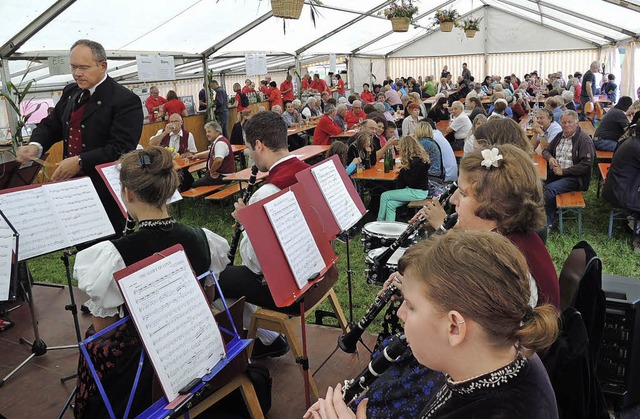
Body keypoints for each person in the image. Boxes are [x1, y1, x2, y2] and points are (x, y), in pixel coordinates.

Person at [305, 229, 559, 419]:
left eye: (411, 306)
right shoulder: (501, 356)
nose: (400, 314)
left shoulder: (504, 409)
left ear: (454, 328)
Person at [73, 146, 229, 418]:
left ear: (128, 193)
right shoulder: (204, 238)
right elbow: (208, 296)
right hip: (198, 347)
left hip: (147, 371)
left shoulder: (113, 255)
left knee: (92, 341)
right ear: (169, 189)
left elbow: (105, 332)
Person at [17, 39, 142, 234]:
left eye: (84, 67)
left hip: (106, 190)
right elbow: (53, 124)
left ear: (103, 66)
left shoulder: (125, 100)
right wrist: (36, 144)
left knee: (109, 244)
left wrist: (81, 161)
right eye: (73, 67)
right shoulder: (71, 91)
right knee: (80, 240)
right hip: (74, 189)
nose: (77, 73)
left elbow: (122, 148)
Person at [218, 111, 316, 358]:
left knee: (215, 280)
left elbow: (257, 265)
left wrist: (246, 222)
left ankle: (268, 338)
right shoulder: (308, 171)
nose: (250, 155)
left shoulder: (267, 192)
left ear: (259, 145)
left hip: (291, 287)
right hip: (318, 271)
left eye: (250, 148)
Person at [542, 110, 594, 228]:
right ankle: (547, 215)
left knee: (549, 190)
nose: (566, 125)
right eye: (564, 122)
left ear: (577, 123)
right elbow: (546, 151)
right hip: (557, 172)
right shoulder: (560, 135)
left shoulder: (584, 140)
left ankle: (546, 223)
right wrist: (550, 158)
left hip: (575, 177)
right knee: (537, 184)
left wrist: (564, 171)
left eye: (570, 122)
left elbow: (586, 165)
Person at [602, 126, 640, 252]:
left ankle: (631, 222)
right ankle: (638, 238)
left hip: (615, 188)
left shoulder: (633, 141)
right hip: (620, 193)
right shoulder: (637, 147)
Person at [377, 136, 430, 221]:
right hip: (417, 191)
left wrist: (402, 170)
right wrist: (404, 168)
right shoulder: (418, 159)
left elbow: (410, 182)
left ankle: (379, 222)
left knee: (384, 196)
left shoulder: (416, 162)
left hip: (417, 192)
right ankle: (389, 227)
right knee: (391, 204)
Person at [149, 114, 197, 191]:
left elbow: (192, 152)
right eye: (171, 121)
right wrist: (165, 133)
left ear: (181, 122)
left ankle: (178, 192)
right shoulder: (162, 132)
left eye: (176, 121)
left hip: (180, 166)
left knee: (187, 180)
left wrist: (182, 156)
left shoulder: (188, 135)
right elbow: (152, 144)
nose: (173, 123)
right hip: (164, 166)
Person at [191, 121, 235, 187]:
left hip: (224, 176)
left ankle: (211, 195)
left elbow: (218, 160)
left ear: (218, 132)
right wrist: (196, 156)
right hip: (221, 174)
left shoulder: (220, 143)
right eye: (206, 132)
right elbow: (210, 153)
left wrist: (211, 172)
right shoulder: (219, 141)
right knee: (202, 180)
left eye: (209, 131)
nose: (207, 134)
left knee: (195, 184)